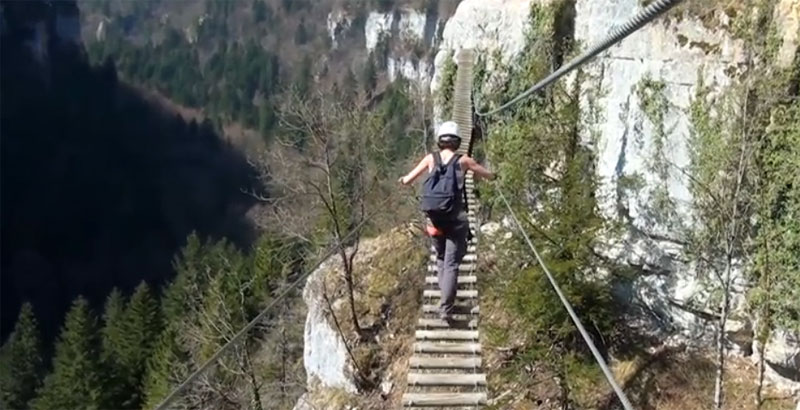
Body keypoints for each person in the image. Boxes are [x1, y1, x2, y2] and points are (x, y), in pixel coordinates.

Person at [398, 121, 495, 321]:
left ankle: (445, 303)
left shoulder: (430, 159)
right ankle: (446, 308)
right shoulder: (464, 161)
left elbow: (408, 180)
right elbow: (487, 175)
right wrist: (496, 176)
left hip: (433, 222)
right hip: (455, 221)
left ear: (440, 141)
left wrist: (403, 180)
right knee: (451, 264)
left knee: (441, 259)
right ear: (457, 141)